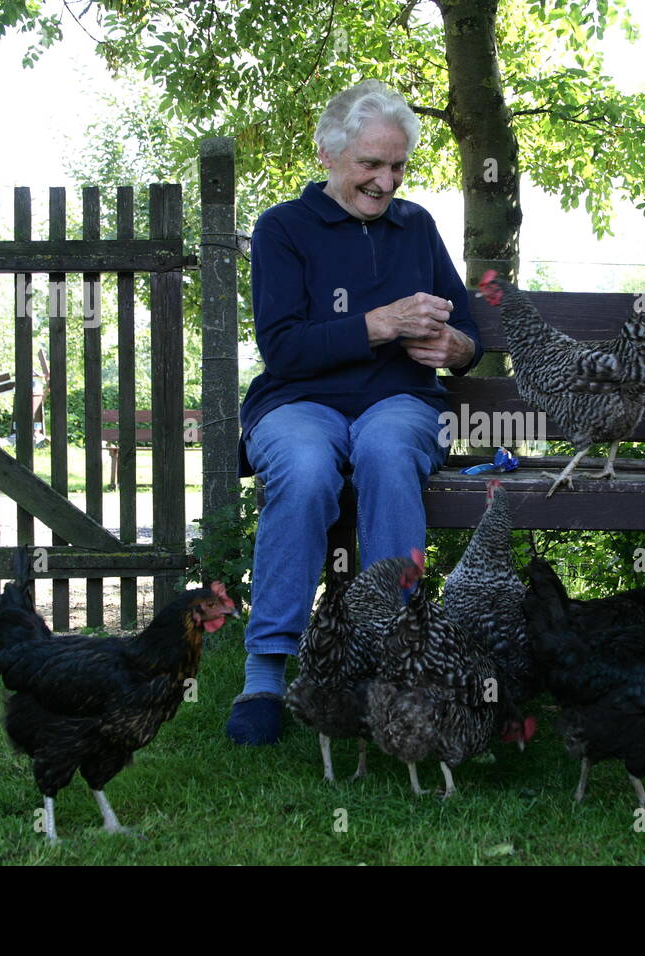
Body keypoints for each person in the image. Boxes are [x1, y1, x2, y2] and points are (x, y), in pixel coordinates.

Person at [227, 80, 482, 744]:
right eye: (372, 164)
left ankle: (396, 653)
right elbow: (283, 348)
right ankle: (266, 672)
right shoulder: (284, 228)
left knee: (387, 450)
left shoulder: (416, 226)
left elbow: (467, 324)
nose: (386, 180)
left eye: (397, 166)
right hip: (299, 401)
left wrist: (459, 346)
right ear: (328, 154)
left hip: (399, 402)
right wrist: (380, 323)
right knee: (308, 470)